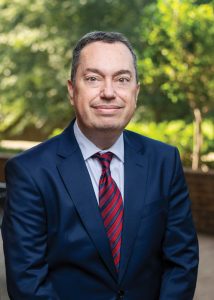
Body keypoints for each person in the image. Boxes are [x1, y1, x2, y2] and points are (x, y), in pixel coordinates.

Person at [1, 31, 198, 300]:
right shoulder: (30, 172)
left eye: (122, 79)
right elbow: (28, 280)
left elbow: (182, 261)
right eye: (93, 79)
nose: (108, 92)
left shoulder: (164, 161)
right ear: (72, 90)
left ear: (136, 92)